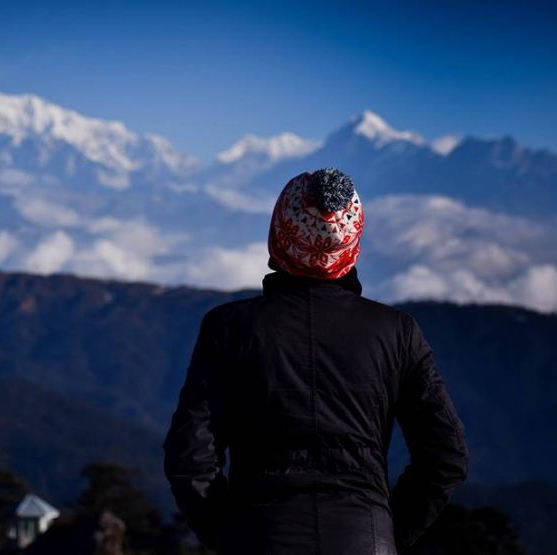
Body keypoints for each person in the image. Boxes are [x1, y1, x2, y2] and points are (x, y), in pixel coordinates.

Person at [162, 168, 468, 554]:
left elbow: (189, 458)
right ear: (352, 243)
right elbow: (446, 456)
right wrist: (387, 534)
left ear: (280, 233)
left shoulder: (229, 328)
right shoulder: (398, 333)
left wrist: (229, 537)